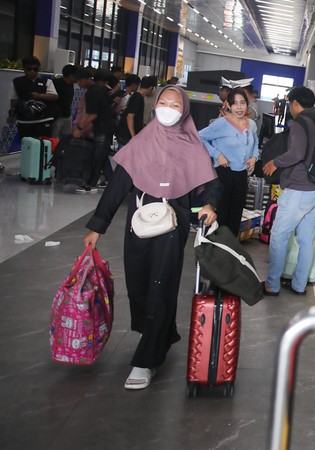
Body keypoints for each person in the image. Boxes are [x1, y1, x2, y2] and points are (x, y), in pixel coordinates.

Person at [82, 86, 221, 390]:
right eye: (163, 103)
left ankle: (147, 359)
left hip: (173, 227)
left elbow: (208, 185)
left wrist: (209, 203)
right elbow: (117, 186)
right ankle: (162, 334)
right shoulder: (142, 142)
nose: (168, 108)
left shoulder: (192, 145)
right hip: (139, 223)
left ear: (184, 110)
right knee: (140, 284)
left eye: (175, 104)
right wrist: (97, 226)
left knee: (161, 285)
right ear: (155, 105)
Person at [261, 86, 315, 296]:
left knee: (279, 234)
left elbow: (297, 153)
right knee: (306, 238)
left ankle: (272, 283)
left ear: (295, 103)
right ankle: (299, 285)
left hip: (299, 188)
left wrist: (275, 162)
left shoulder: (301, 122)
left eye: (290, 103)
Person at [199, 87, 258, 235]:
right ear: (229, 106)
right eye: (235, 103)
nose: (239, 107)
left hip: (241, 175)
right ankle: (214, 251)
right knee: (220, 216)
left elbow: (255, 142)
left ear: (247, 104)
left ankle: (229, 250)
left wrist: (255, 157)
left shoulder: (251, 124)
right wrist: (216, 154)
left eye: (242, 103)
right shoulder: (222, 123)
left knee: (235, 216)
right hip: (222, 174)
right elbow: (199, 137)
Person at [73, 69, 115, 192]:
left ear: (87, 79)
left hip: (102, 128)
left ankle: (91, 184)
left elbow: (93, 115)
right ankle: (110, 180)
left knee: (98, 157)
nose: (79, 83)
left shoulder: (91, 93)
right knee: (102, 155)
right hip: (106, 126)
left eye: (80, 80)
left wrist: (79, 128)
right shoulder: (100, 90)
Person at [7, 56, 59, 138]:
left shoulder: (46, 81)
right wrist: (11, 115)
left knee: (43, 145)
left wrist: (39, 96)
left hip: (43, 120)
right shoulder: (16, 82)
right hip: (24, 121)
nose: (32, 71)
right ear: (24, 68)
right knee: (26, 146)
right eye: (29, 69)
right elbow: (14, 100)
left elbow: (54, 96)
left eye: (35, 69)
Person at [115, 75, 156, 149]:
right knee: (124, 158)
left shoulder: (137, 96)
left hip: (126, 133)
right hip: (127, 135)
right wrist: (133, 136)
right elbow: (130, 117)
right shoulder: (137, 97)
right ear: (151, 88)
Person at [51, 64, 77, 138]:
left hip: (67, 115)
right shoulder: (56, 83)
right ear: (71, 75)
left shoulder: (71, 85)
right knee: (53, 138)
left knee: (66, 139)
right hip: (57, 116)